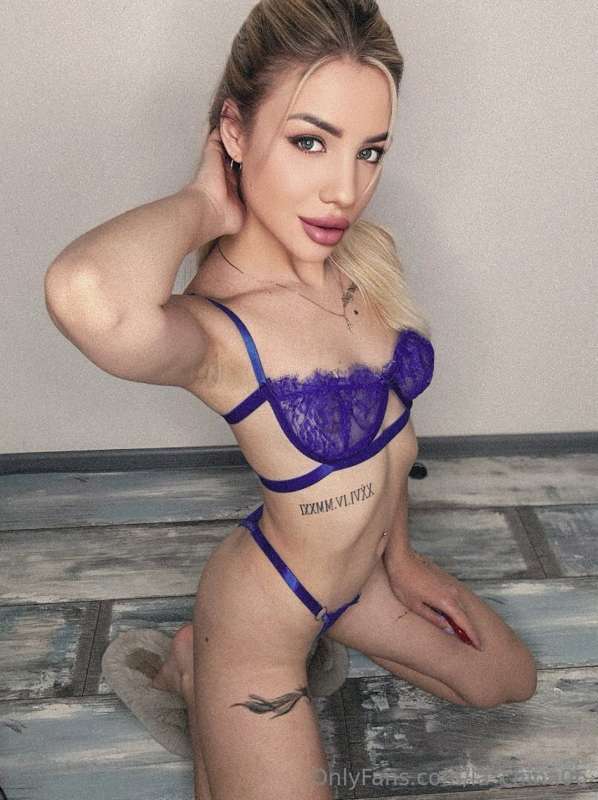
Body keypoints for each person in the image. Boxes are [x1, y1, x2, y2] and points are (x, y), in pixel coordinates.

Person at [44, 1, 538, 797]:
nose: (345, 191)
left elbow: (392, 441)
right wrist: (207, 202)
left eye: (370, 152)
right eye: (310, 141)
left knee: (507, 681)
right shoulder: (221, 329)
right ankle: (204, 667)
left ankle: (245, 672)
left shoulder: (364, 262)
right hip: (267, 613)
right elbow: (85, 292)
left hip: (362, 583)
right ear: (235, 132)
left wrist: (403, 560)